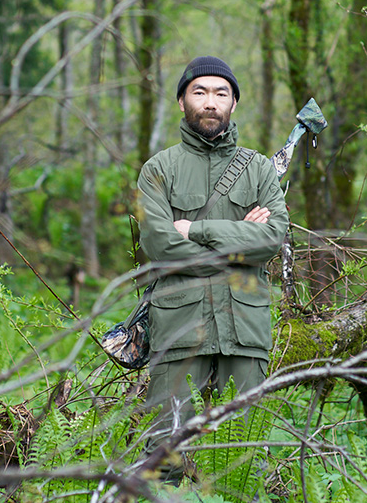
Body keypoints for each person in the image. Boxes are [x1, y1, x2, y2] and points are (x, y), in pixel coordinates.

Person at [136, 55, 289, 480]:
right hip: (179, 325)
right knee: (164, 450)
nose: (210, 102)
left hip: (245, 326)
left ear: (233, 104)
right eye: (199, 91)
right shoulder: (158, 170)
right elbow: (158, 244)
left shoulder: (258, 169)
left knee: (245, 456)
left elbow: (272, 238)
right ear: (182, 100)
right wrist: (237, 241)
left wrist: (196, 228)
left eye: (221, 93)